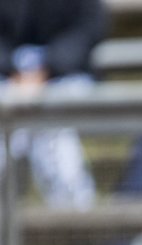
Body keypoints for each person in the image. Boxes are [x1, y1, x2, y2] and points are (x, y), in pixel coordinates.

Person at [0, 0, 108, 211]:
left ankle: (76, 227)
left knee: (51, 129)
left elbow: (89, 28)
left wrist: (49, 67)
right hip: (7, 80)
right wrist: (13, 69)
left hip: (66, 79)